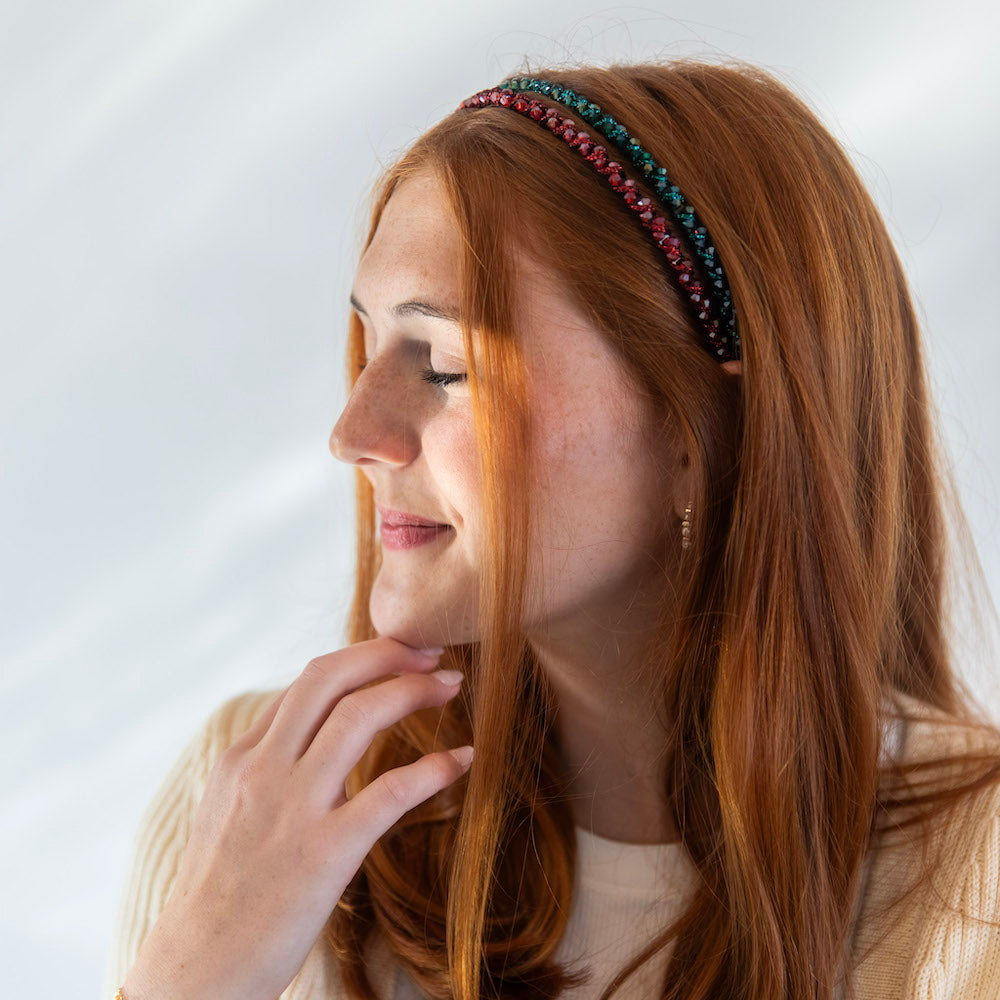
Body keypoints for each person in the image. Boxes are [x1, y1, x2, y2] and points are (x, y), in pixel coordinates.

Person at [104, 58, 1000, 1000]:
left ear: (704, 432)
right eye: (368, 345)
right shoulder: (253, 796)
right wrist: (194, 973)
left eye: (443, 364)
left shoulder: (977, 889)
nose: (353, 435)